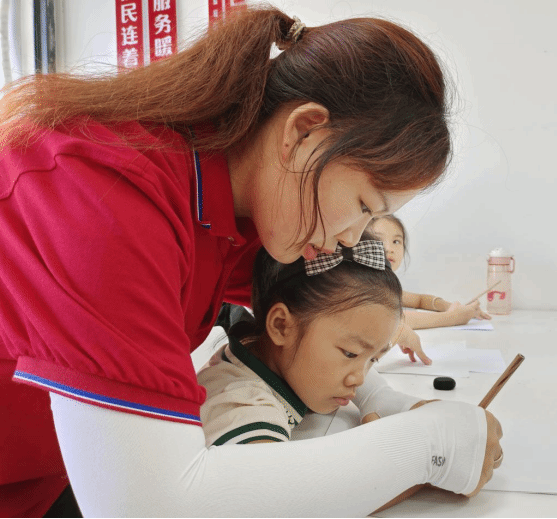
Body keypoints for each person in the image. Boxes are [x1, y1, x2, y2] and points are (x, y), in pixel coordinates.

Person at [0, 6, 503, 516]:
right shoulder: (103, 195)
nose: (350, 239)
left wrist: (384, 400)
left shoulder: (248, 212)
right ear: (304, 132)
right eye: (363, 206)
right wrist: (427, 446)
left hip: (52, 473)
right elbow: (145, 506)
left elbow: (322, 317)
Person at [200, 238, 443, 513]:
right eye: (351, 353)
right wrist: (422, 467)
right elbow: (281, 503)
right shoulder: (241, 404)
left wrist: (380, 396)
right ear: (281, 326)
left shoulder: (260, 352)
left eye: (373, 359)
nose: (360, 379)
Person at [368, 215, 491, 364]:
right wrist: (453, 317)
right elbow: (393, 319)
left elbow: (419, 300)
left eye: (396, 241)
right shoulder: (365, 284)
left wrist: (450, 306)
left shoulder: (386, 284)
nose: (389, 248)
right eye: (379, 240)